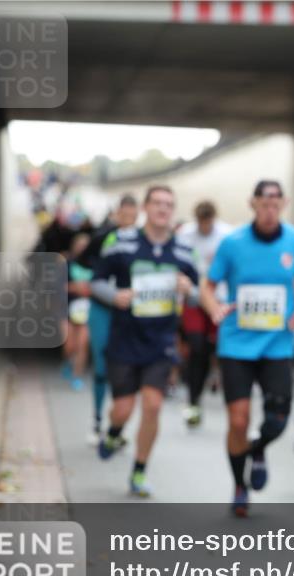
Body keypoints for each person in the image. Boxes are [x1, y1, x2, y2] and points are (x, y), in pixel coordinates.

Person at [200, 180, 294, 517]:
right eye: (264, 201)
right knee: (238, 419)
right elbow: (208, 285)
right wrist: (213, 308)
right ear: (253, 204)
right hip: (236, 343)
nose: (270, 207)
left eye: (276, 201)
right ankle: (239, 485)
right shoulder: (232, 243)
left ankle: (257, 449)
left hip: (277, 344)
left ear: (284, 203)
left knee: (277, 419)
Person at [91, 185, 198, 497]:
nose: (163, 209)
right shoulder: (120, 243)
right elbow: (96, 281)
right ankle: (113, 433)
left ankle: (139, 471)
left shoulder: (182, 251)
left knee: (152, 406)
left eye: (169, 204)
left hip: (161, 341)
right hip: (125, 337)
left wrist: (187, 289)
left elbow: (196, 297)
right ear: (146, 208)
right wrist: (115, 296)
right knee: (123, 409)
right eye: (157, 203)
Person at [78, 194, 139, 444]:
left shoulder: (141, 240)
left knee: (123, 370)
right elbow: (81, 264)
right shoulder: (103, 237)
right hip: (102, 308)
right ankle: (97, 421)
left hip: (127, 312)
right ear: (117, 213)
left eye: (133, 215)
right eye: (124, 214)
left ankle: (118, 425)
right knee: (102, 368)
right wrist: (100, 283)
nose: (128, 219)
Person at [177, 201, 233, 427]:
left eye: (208, 222)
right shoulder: (185, 235)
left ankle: (213, 381)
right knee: (196, 347)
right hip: (194, 298)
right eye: (202, 222)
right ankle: (193, 399)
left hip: (219, 299)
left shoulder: (227, 235)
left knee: (214, 348)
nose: (205, 226)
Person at [64, 233, 93, 392]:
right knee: (70, 345)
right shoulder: (66, 263)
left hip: (87, 309)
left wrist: (90, 289)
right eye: (80, 245)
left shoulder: (95, 264)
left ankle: (77, 375)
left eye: (85, 246)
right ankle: (68, 361)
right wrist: (75, 287)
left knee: (83, 344)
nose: (83, 249)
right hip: (69, 308)